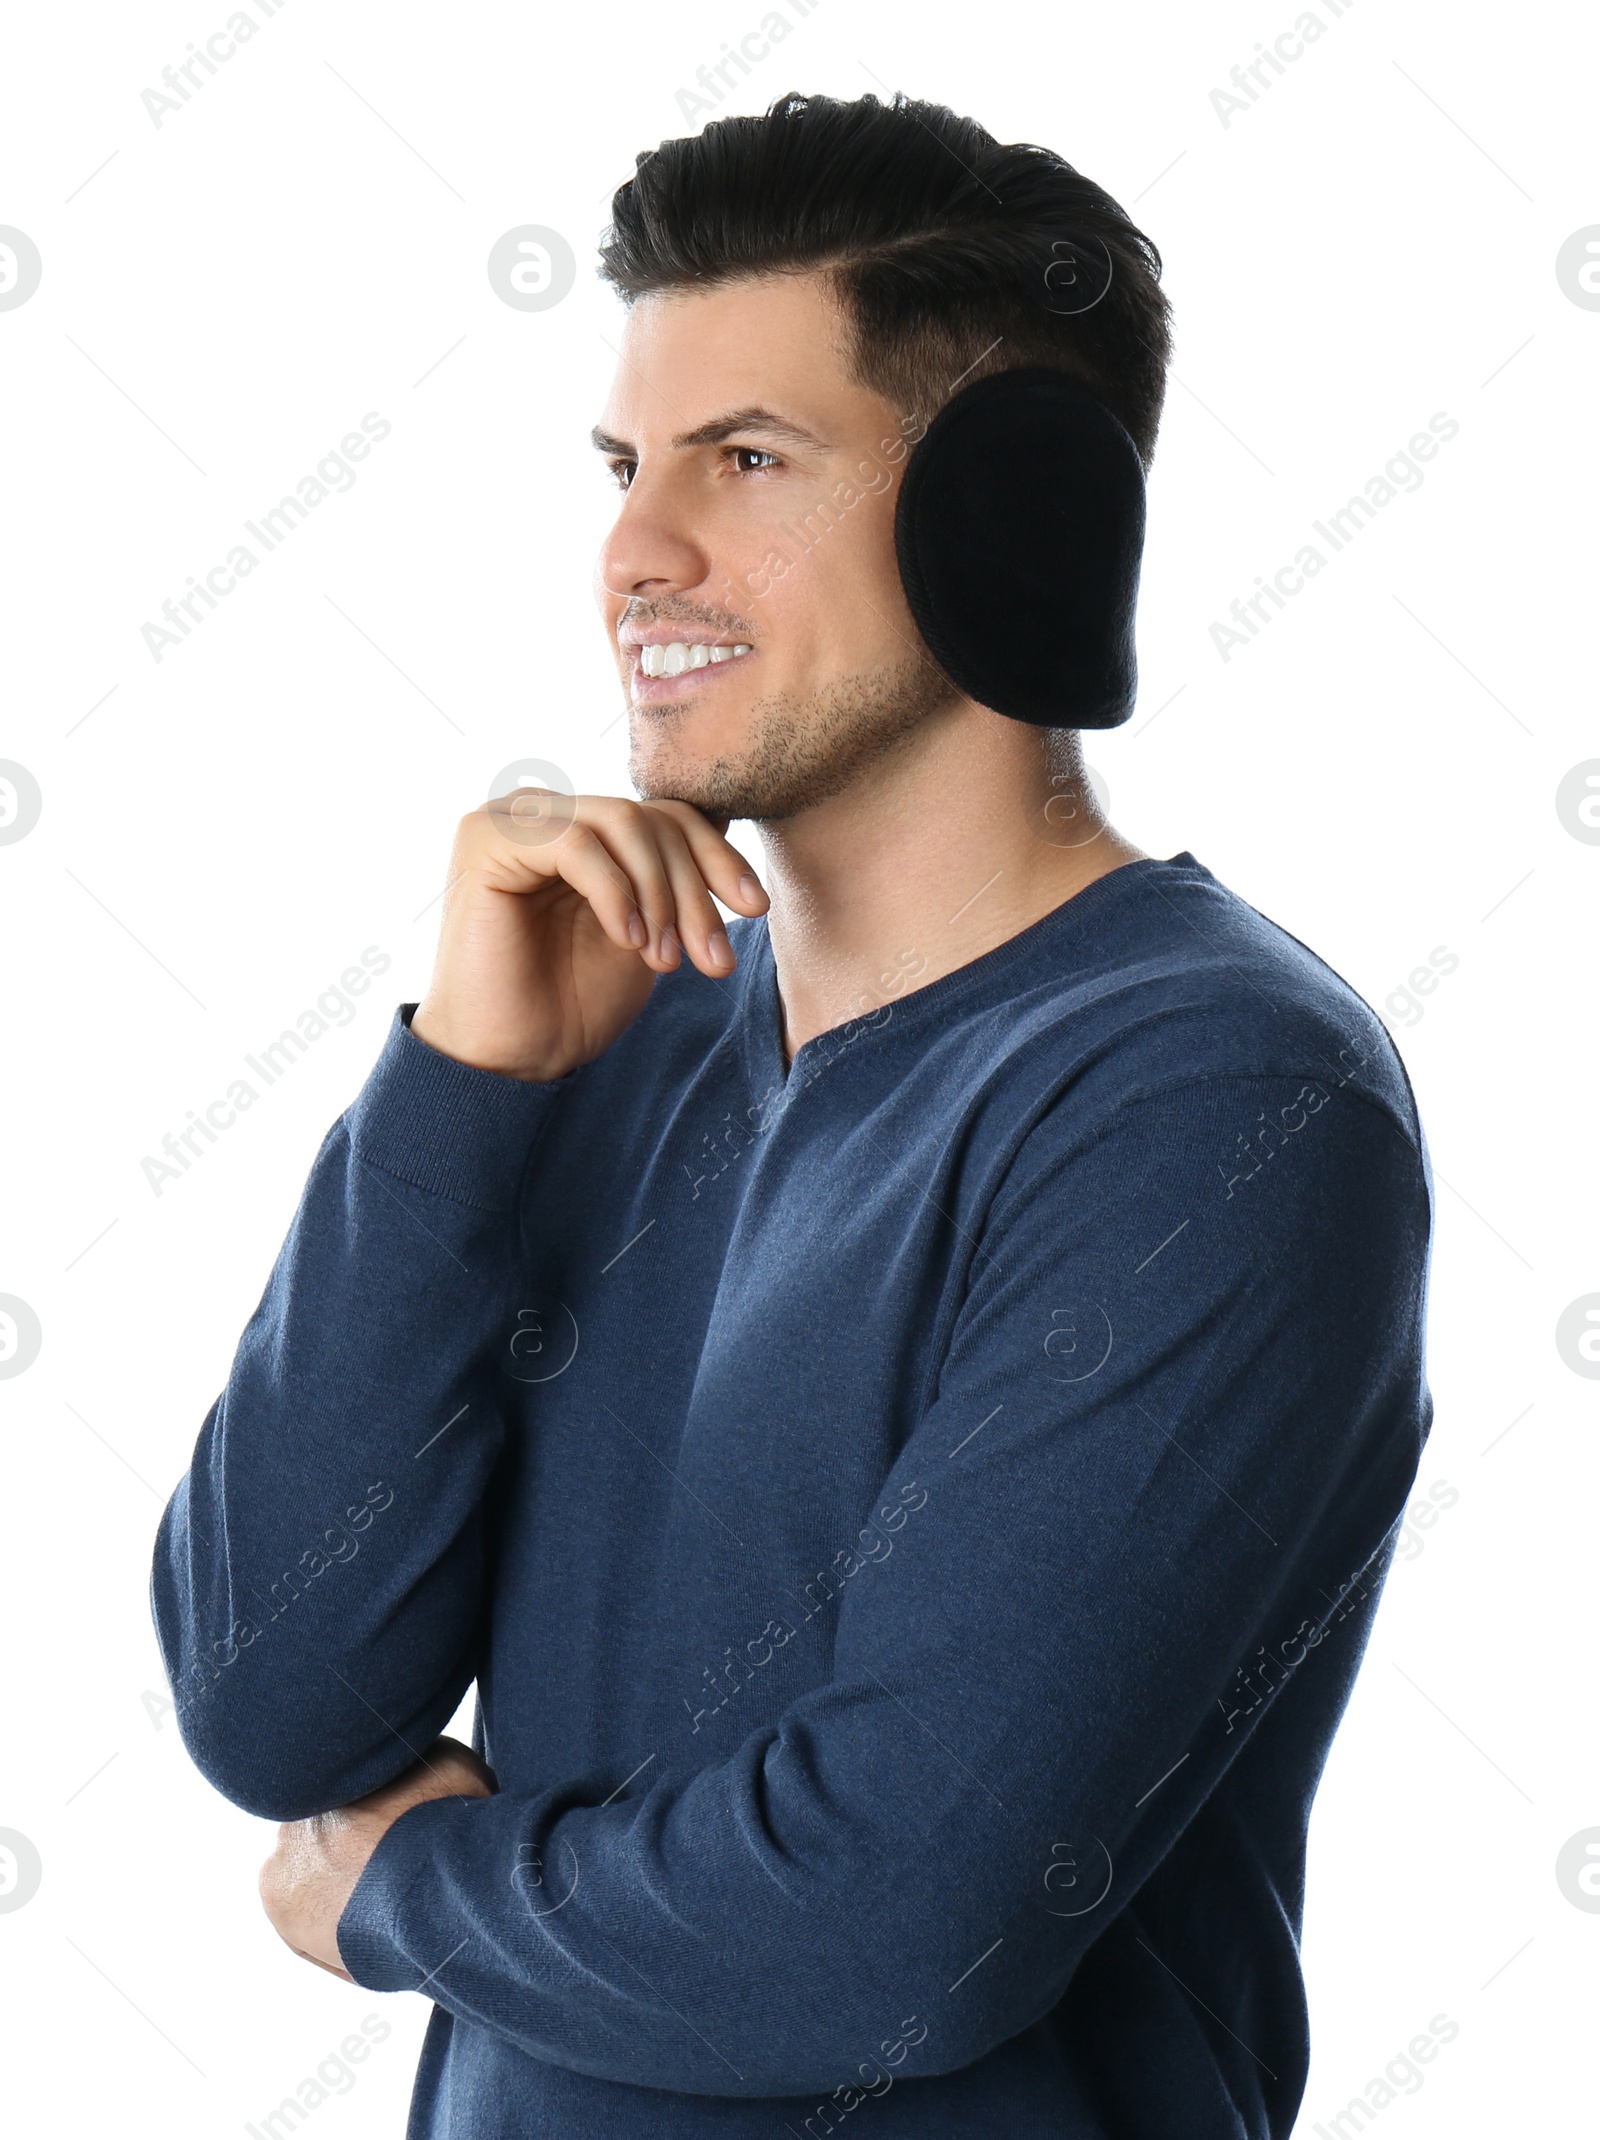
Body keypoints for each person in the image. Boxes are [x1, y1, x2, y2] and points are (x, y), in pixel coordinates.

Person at [151, 90, 1434, 2140]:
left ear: (1016, 515)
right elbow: (274, 1696)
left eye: (743, 461)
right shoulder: (606, 1021)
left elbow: (888, 1921)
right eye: (620, 466)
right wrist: (460, 1093)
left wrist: (395, 1885)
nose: (634, 551)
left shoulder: (1208, 1095)